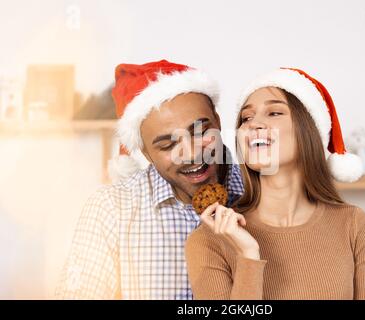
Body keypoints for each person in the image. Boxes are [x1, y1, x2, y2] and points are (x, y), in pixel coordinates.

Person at [185, 67, 365, 300]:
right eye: (246, 118)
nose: (253, 124)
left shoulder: (354, 225)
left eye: (274, 113)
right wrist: (248, 255)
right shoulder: (209, 240)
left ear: (308, 130)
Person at [56, 60, 243, 299]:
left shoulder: (263, 192)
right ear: (145, 153)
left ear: (217, 122)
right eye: (167, 145)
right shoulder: (112, 209)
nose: (192, 153)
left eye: (200, 131)